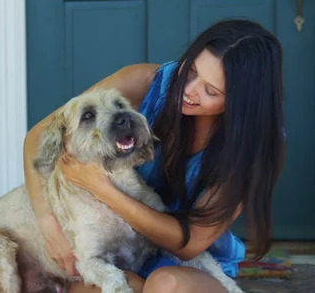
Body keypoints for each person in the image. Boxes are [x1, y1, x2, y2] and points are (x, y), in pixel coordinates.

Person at [22, 19, 286, 293]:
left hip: (189, 261)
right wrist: (46, 221)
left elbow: (190, 245)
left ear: (240, 104)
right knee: (85, 288)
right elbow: (38, 136)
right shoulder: (144, 82)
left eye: (210, 91)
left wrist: (101, 189)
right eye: (191, 71)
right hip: (121, 252)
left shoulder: (256, 144)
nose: (188, 90)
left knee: (165, 285)